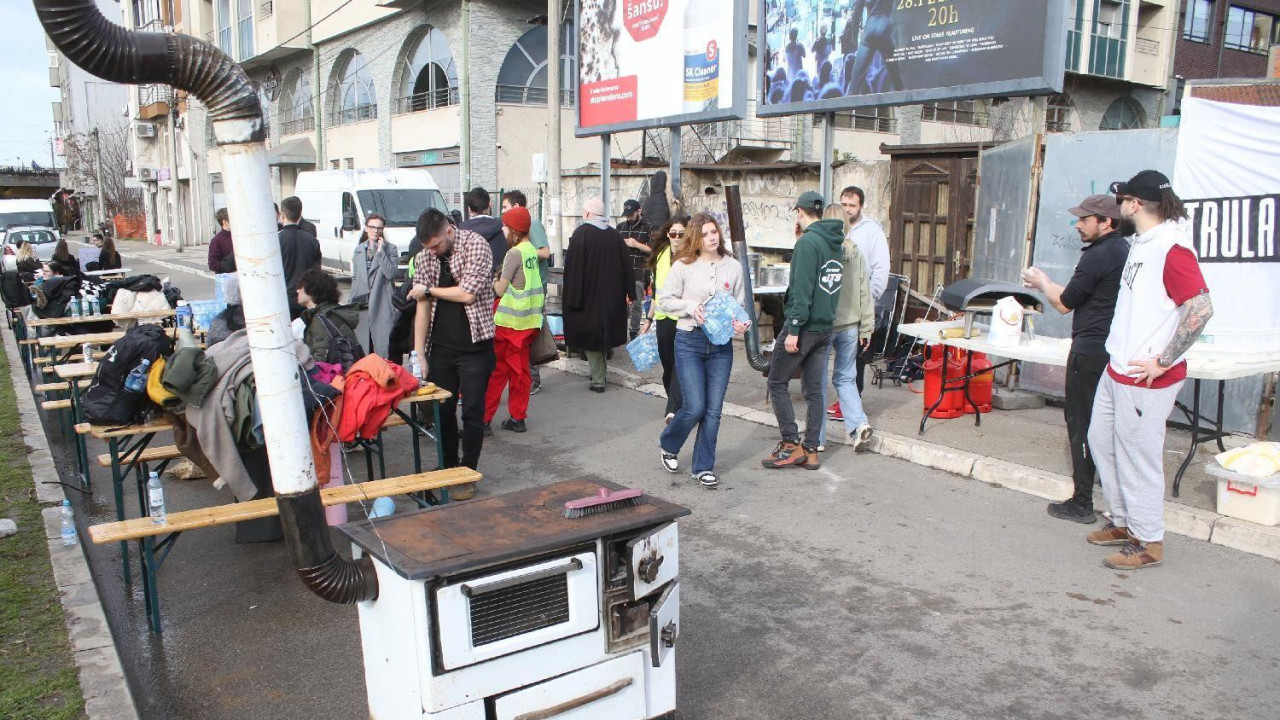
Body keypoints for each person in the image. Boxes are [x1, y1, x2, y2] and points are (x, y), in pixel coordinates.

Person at [1086, 170, 1213, 570]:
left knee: (1139, 457)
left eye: (1121, 201)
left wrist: (1163, 360)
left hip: (1145, 377)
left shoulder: (1172, 248)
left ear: (1135, 205)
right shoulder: (1143, 243)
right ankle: (1124, 521)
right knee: (1103, 442)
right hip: (1118, 368)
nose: (1118, 207)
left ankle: (1149, 540)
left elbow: (1202, 307)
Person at [1021, 194, 1129, 524]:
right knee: (1106, 426)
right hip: (1111, 347)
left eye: (1085, 219)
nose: (1078, 224)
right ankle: (1114, 501)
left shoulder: (1099, 255)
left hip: (1091, 349)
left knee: (1081, 423)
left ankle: (1082, 501)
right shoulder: (1123, 250)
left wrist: (1042, 283)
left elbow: (1065, 302)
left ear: (1106, 222)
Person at [656, 213, 749, 488]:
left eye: (714, 232)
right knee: (694, 406)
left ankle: (703, 466)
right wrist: (689, 307)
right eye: (706, 233)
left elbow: (740, 306)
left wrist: (740, 326)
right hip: (689, 341)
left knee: (713, 410)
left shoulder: (733, 267)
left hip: (721, 346)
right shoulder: (683, 266)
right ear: (696, 237)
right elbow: (665, 301)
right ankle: (669, 443)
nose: (712, 237)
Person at [409, 208, 496, 495]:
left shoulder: (475, 245)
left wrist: (429, 290)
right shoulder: (424, 258)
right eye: (427, 248)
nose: (432, 252)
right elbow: (422, 307)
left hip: (475, 347)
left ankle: (466, 472)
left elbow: (467, 293)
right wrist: (419, 352)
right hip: (441, 348)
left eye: (435, 245)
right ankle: (447, 466)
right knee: (442, 411)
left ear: (448, 230)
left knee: (472, 413)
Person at [761, 191, 843, 471]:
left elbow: (802, 289)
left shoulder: (808, 243)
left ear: (800, 212)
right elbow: (824, 282)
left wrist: (793, 328)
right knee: (815, 390)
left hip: (804, 325)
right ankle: (811, 450)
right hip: (825, 325)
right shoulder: (833, 241)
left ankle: (790, 443)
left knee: (776, 381)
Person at [818, 203, 875, 453]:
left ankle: (816, 439)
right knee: (846, 378)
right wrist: (867, 327)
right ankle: (858, 424)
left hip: (825, 325)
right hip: (851, 325)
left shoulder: (821, 251)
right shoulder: (856, 252)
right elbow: (865, 291)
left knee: (817, 381)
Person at [483, 206, 545, 435]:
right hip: (528, 323)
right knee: (520, 373)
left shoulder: (514, 253)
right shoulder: (531, 250)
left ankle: (484, 420)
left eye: (506, 226)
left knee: (497, 373)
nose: (503, 229)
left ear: (515, 231)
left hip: (509, 324)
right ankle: (518, 417)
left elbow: (500, 290)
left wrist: (493, 281)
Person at [562, 197, 634, 392]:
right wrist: (630, 292)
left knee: (592, 336)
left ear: (587, 213)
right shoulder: (615, 236)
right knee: (604, 334)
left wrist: (572, 298)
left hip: (587, 297)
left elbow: (573, 269)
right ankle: (598, 375)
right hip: (612, 296)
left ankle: (598, 380)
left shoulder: (581, 234)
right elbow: (627, 266)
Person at [838, 185, 889, 403]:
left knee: (856, 356)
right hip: (839, 304)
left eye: (852, 205)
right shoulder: (836, 227)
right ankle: (843, 399)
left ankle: (853, 401)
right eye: (844, 205)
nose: (847, 209)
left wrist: (870, 299)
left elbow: (881, 268)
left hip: (860, 304)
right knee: (841, 356)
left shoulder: (872, 231)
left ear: (861, 206)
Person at [500, 190, 551, 395]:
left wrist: (522, 255)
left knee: (528, 341)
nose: (502, 212)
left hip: (530, 293)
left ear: (515, 207)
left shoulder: (532, 226)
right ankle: (528, 380)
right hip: (525, 293)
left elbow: (545, 252)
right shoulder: (519, 242)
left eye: (505, 207)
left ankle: (533, 379)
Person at [640, 216, 688, 422]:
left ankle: (673, 408)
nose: (676, 238)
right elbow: (656, 293)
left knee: (681, 362)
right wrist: (648, 320)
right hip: (663, 317)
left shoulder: (691, 257)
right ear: (667, 234)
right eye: (673, 233)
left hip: (684, 317)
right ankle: (676, 400)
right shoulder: (660, 255)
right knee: (668, 364)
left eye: (681, 234)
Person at [350, 213, 398, 358]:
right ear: (366, 228)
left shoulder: (390, 249)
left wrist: (380, 252)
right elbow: (355, 278)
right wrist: (351, 302)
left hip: (382, 302)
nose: (375, 231)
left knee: (383, 349)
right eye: (372, 227)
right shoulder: (359, 250)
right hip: (362, 304)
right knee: (364, 349)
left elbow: (390, 273)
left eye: (379, 228)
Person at [296, 269, 361, 366]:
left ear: (312, 289)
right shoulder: (333, 312)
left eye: (301, 286)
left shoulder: (321, 319)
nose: (297, 290)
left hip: (332, 378)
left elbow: (321, 363)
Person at [278, 196, 321, 320]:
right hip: (308, 298)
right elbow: (317, 271)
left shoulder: (276, 241)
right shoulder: (312, 240)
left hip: (285, 299)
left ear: (283, 215)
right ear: (299, 213)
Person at [617, 199, 653, 339]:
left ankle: (633, 332)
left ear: (639, 211)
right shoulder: (620, 227)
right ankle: (620, 331)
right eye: (626, 214)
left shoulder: (648, 227)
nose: (628, 217)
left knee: (636, 303)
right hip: (621, 271)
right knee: (618, 302)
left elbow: (653, 250)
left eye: (631, 214)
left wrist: (636, 244)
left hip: (639, 271)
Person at [459, 187, 506, 277]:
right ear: (490, 204)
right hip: (498, 282)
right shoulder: (502, 227)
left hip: (470, 285)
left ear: (469, 209)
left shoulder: (462, 231)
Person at [208, 207, 235, 273]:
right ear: (225, 222)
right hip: (230, 280)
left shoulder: (241, 236)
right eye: (234, 219)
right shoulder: (217, 240)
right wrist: (232, 258)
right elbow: (212, 265)